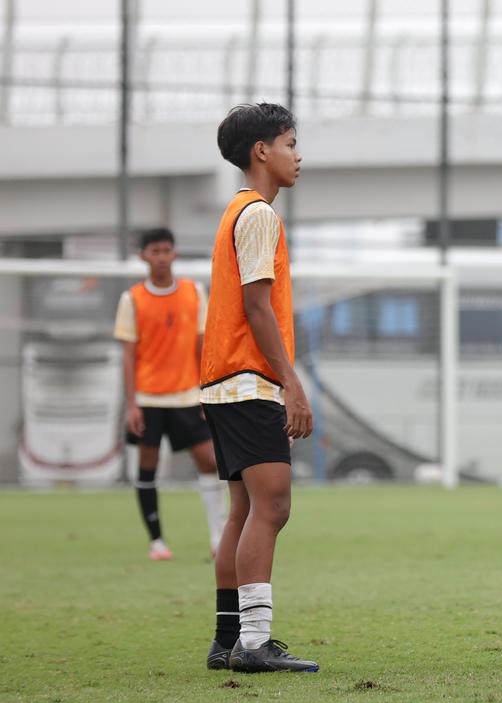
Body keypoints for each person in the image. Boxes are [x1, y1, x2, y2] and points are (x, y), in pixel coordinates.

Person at [202, 103, 317, 673]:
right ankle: (253, 641)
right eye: (291, 143)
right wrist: (291, 384)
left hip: (223, 382)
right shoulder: (260, 216)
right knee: (272, 507)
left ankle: (227, 639)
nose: (299, 155)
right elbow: (257, 307)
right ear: (261, 152)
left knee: (243, 511)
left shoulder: (236, 212)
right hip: (250, 382)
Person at [114, 228, 225, 561]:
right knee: (148, 466)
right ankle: (157, 542)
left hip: (188, 397)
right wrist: (131, 404)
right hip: (149, 399)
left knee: (209, 461)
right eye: (155, 251)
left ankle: (219, 539)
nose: (161, 256)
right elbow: (128, 354)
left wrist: (207, 391)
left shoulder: (194, 291)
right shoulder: (132, 299)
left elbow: (202, 345)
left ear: (174, 254)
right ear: (143, 256)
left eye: (166, 250)